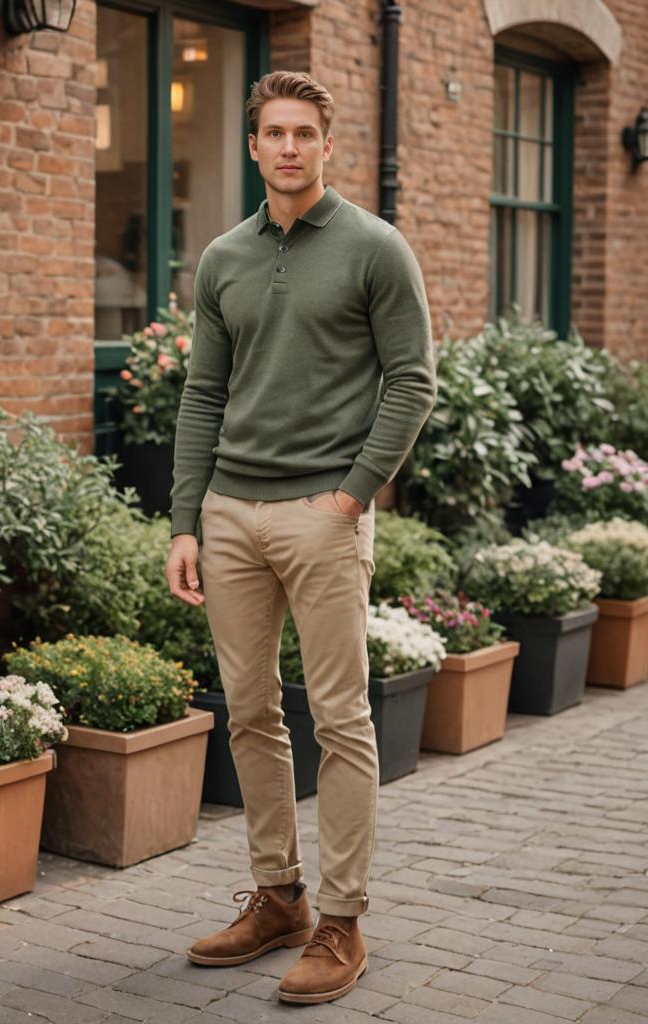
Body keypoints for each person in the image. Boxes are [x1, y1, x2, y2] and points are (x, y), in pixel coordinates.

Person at [165, 70, 437, 1005]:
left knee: (342, 720)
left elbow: (412, 381)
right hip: (230, 516)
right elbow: (203, 393)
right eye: (272, 132)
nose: (287, 147)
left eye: (303, 133)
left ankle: (344, 921)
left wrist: (355, 497)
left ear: (327, 144)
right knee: (248, 713)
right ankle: (278, 895)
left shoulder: (375, 248)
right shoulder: (223, 259)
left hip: (323, 517)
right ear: (252, 147)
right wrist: (186, 519)